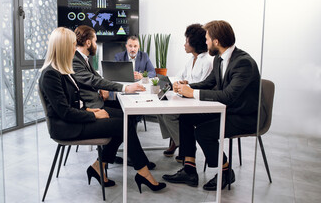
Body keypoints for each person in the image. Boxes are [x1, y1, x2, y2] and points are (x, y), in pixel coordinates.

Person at [39, 27, 166, 193]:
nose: (74, 48)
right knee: (123, 125)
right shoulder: (51, 74)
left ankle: (101, 167)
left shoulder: (61, 70)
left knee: (123, 122)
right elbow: (65, 113)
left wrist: (91, 112)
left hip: (75, 119)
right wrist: (93, 115)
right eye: (72, 45)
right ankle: (142, 172)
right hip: (66, 128)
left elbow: (73, 104)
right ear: (63, 47)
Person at [162, 20, 263, 191]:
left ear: (216, 41)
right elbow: (209, 83)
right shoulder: (219, 59)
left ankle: (225, 172)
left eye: (207, 39)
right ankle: (189, 169)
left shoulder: (243, 62)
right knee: (186, 117)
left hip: (244, 116)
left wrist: (191, 93)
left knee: (203, 132)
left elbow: (229, 96)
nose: (205, 42)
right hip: (227, 111)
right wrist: (187, 87)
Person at [72, 25, 155, 169]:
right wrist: (125, 87)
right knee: (126, 121)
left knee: (129, 115)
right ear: (88, 42)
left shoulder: (82, 58)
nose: (97, 45)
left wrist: (103, 87)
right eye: (95, 40)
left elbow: (95, 77)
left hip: (97, 101)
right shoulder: (76, 59)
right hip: (92, 108)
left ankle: (101, 164)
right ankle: (140, 165)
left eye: (135, 46)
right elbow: (93, 80)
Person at [157, 24, 213, 162]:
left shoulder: (207, 62)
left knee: (169, 115)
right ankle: (176, 140)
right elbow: (179, 77)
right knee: (159, 110)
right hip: (185, 98)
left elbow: (203, 86)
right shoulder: (192, 60)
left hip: (197, 102)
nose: (184, 45)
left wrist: (184, 85)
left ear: (194, 43)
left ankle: (185, 148)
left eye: (186, 41)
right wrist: (176, 83)